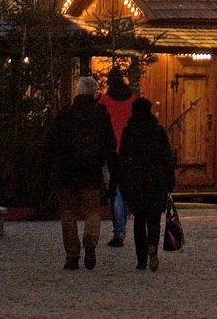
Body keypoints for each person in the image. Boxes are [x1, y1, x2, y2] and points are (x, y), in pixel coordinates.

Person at [48, 76, 117, 270]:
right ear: (94, 92)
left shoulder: (65, 114)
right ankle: (91, 239)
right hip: (91, 171)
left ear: (77, 92)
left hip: (66, 172)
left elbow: (51, 143)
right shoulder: (100, 115)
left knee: (68, 213)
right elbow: (110, 144)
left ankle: (72, 255)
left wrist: (49, 168)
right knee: (92, 211)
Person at [116, 98, 176, 271]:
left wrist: (122, 180)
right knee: (154, 218)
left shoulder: (129, 132)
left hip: (136, 179)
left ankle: (141, 259)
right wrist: (170, 181)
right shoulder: (158, 131)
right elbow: (166, 158)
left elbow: (123, 157)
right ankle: (153, 246)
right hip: (156, 179)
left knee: (139, 220)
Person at [96, 69, 134, 248]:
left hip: (110, 152)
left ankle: (119, 231)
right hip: (129, 153)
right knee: (126, 190)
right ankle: (122, 225)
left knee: (114, 192)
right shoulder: (133, 101)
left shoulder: (104, 101)